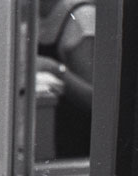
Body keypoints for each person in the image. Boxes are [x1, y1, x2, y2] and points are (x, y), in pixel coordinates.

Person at [36, 0, 95, 158]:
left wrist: (54, 69)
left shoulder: (81, 18)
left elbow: (94, 99)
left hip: (80, 144)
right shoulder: (37, 14)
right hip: (52, 131)